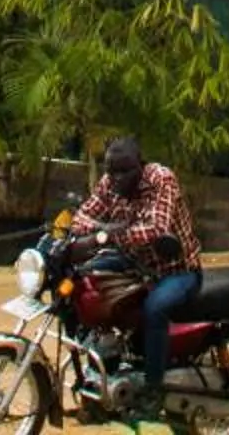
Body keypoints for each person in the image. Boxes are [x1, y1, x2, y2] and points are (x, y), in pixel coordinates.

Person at [71, 135, 202, 411]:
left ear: (140, 166)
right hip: (133, 262)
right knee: (81, 280)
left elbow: (156, 227)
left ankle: (154, 387)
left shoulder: (161, 179)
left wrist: (110, 234)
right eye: (112, 171)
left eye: (124, 171)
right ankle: (101, 362)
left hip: (176, 270)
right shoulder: (109, 182)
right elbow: (81, 218)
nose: (116, 178)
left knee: (155, 309)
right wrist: (98, 231)